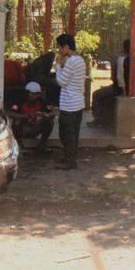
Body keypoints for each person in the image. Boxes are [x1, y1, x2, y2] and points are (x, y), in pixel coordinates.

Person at [91, 39, 135, 128]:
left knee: (96, 94)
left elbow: (119, 78)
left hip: (119, 89)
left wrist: (124, 91)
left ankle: (98, 120)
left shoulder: (121, 59)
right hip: (131, 88)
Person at [54, 33, 86, 170]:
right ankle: (70, 157)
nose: (59, 51)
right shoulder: (80, 60)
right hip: (77, 102)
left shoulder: (71, 61)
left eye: (60, 48)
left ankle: (70, 161)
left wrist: (58, 66)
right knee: (73, 133)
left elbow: (61, 81)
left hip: (69, 104)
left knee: (66, 134)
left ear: (66, 47)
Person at [6, 81, 56, 154]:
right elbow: (10, 113)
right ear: (27, 93)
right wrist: (26, 116)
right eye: (32, 94)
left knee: (50, 122)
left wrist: (44, 115)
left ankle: (42, 145)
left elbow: (52, 113)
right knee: (16, 122)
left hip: (37, 126)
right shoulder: (20, 101)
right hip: (24, 127)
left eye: (37, 94)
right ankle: (19, 145)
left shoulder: (42, 102)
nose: (34, 96)